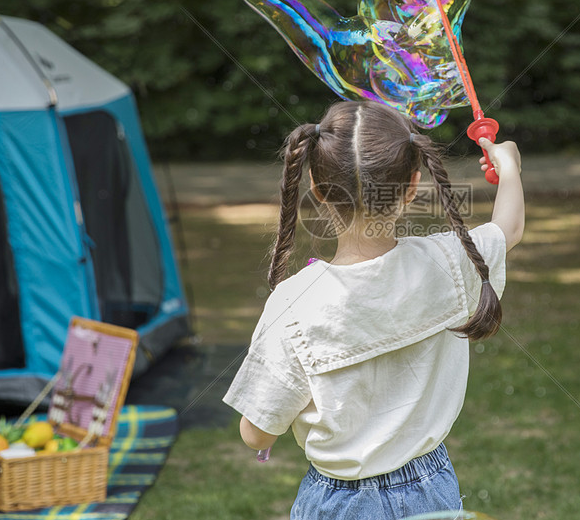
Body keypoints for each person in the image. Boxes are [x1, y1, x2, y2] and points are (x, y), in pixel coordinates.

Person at [223, 100, 524, 519]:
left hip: (339, 502)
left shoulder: (294, 302)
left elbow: (256, 434)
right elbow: (507, 230)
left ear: (317, 186)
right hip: (432, 490)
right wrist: (509, 168)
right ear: (413, 186)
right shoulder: (449, 263)